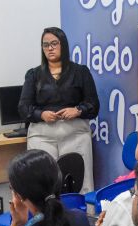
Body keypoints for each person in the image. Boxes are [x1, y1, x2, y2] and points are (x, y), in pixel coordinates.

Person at [18, 27, 100, 193]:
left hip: (75, 135)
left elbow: (94, 104)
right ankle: (45, 218)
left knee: (80, 185)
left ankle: (83, 218)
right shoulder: (33, 75)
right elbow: (23, 107)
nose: (50, 48)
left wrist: (78, 110)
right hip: (42, 136)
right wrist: (41, 114)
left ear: (64, 45)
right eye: (45, 45)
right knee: (42, 184)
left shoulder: (80, 72)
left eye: (54, 43)